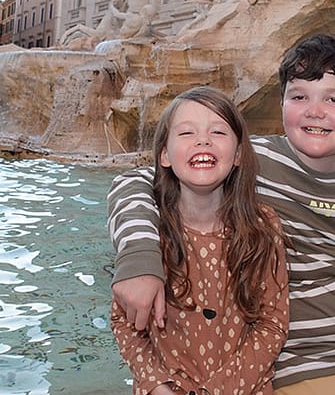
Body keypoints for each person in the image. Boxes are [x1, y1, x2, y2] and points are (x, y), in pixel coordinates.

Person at [109, 35, 335, 395]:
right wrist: (139, 258)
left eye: (334, 99)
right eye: (299, 96)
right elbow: (135, 181)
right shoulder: (248, 161)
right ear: (281, 104)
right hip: (302, 363)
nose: (314, 111)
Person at [111, 86, 289, 395]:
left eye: (218, 131)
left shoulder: (263, 226)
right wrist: (156, 385)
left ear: (237, 155)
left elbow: (272, 324)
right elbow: (124, 322)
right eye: (186, 133)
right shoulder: (150, 229)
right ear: (164, 155)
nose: (203, 140)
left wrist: (218, 390)